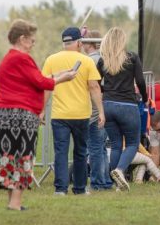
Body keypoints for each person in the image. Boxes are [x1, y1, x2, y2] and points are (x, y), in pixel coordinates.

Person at [0, 19, 77, 210]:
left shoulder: (9, 59)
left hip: (4, 114)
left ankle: (12, 202)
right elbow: (43, 83)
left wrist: (59, 73)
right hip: (21, 115)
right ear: (22, 39)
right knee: (23, 157)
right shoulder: (22, 58)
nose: (33, 44)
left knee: (9, 158)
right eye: (32, 40)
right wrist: (65, 77)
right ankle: (15, 203)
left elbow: (34, 79)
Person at [41, 27, 105, 196]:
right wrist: (101, 112)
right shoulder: (87, 61)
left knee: (60, 152)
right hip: (81, 115)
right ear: (78, 42)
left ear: (64, 42)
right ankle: (80, 188)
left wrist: (41, 110)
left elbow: (46, 88)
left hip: (59, 115)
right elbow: (94, 87)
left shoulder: (51, 60)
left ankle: (60, 189)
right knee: (81, 152)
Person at [97, 27, 149, 191]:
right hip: (127, 105)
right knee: (133, 143)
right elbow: (140, 81)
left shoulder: (102, 61)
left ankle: (115, 183)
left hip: (108, 106)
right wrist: (145, 98)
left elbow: (96, 85)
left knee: (116, 144)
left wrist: (107, 93)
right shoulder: (132, 57)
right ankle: (119, 171)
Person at [80, 28, 112, 191]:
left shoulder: (90, 61)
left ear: (89, 43)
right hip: (105, 108)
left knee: (94, 148)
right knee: (100, 147)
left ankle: (98, 182)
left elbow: (91, 86)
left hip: (94, 111)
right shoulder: (106, 59)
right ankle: (105, 180)